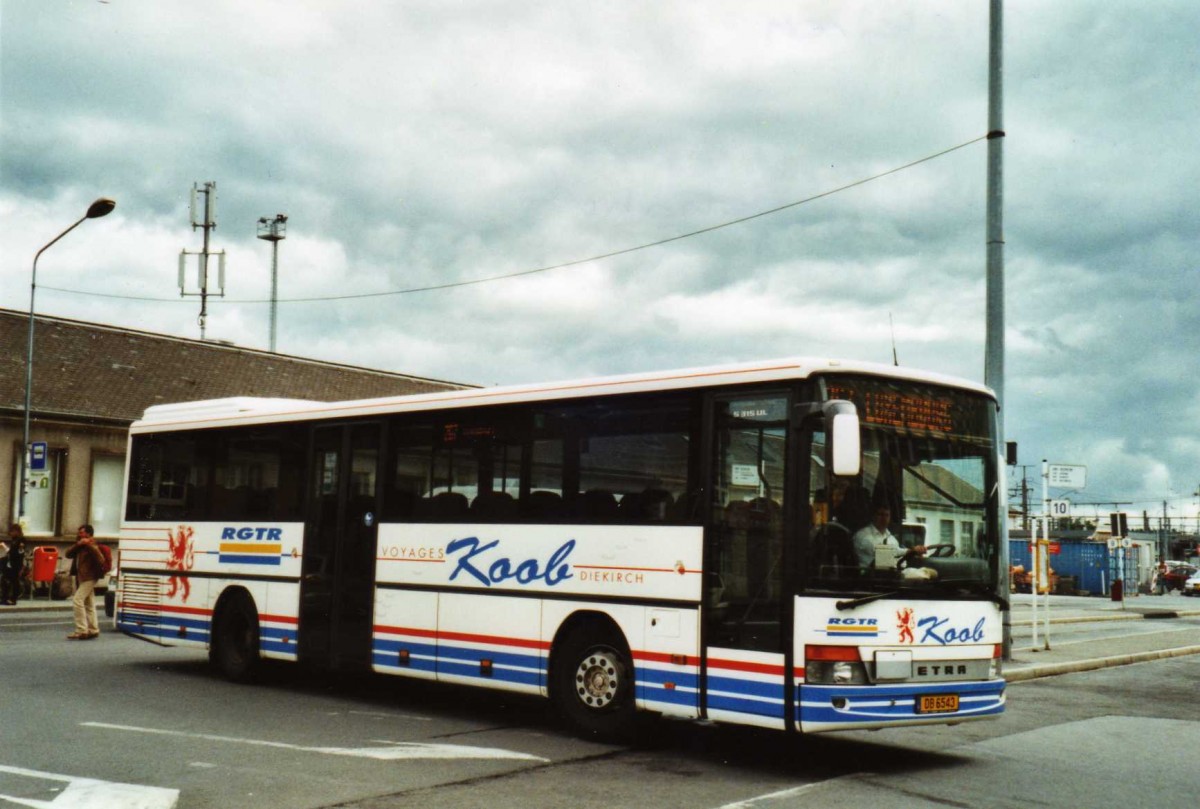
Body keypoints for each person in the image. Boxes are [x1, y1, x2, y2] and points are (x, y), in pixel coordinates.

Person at [852, 504, 926, 570]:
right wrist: (910, 551)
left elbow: (896, 551)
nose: (884, 518)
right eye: (880, 514)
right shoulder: (863, 536)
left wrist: (912, 551)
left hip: (888, 576)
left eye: (887, 515)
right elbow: (884, 555)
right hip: (868, 579)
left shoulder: (890, 537)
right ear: (873, 516)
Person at [65, 524, 104, 639]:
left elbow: (101, 559)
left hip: (89, 576)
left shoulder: (92, 544)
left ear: (88, 534)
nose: (79, 534)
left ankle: (81, 629)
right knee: (89, 603)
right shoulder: (80, 545)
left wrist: (89, 545)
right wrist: (78, 544)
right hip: (82, 576)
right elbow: (68, 554)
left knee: (77, 600)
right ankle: (93, 629)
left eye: (81, 532)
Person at [2, 524, 25, 605]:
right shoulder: (14, 540)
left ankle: (13, 599)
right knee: (5, 580)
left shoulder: (21, 541)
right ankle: (4, 598)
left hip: (16, 564)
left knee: (14, 582)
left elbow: (16, 553)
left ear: (16, 531)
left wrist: (5, 547)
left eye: (12, 531)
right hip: (10, 563)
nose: (10, 533)